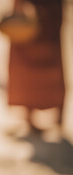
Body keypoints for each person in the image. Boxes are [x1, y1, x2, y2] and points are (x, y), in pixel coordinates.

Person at [6, 0, 65, 133]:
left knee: (49, 57)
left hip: (50, 14)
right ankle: (30, 114)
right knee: (27, 60)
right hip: (33, 13)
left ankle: (57, 113)